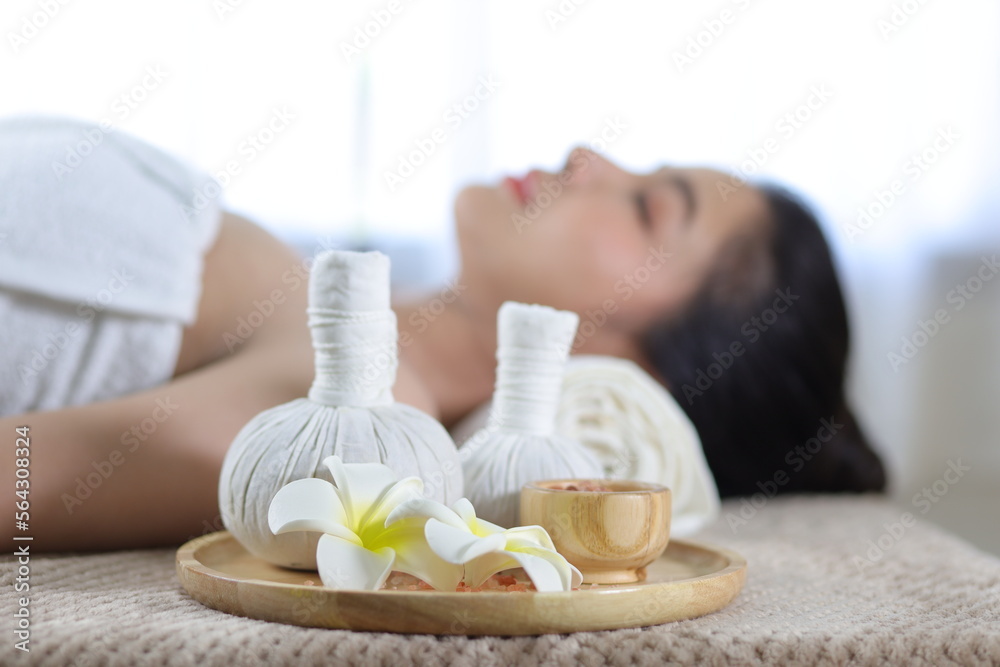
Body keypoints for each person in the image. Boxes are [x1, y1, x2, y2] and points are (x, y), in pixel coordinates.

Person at [0, 122, 885, 551]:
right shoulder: (321, 317)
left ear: (635, 374)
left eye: (650, 204)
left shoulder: (344, 420)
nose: (587, 157)